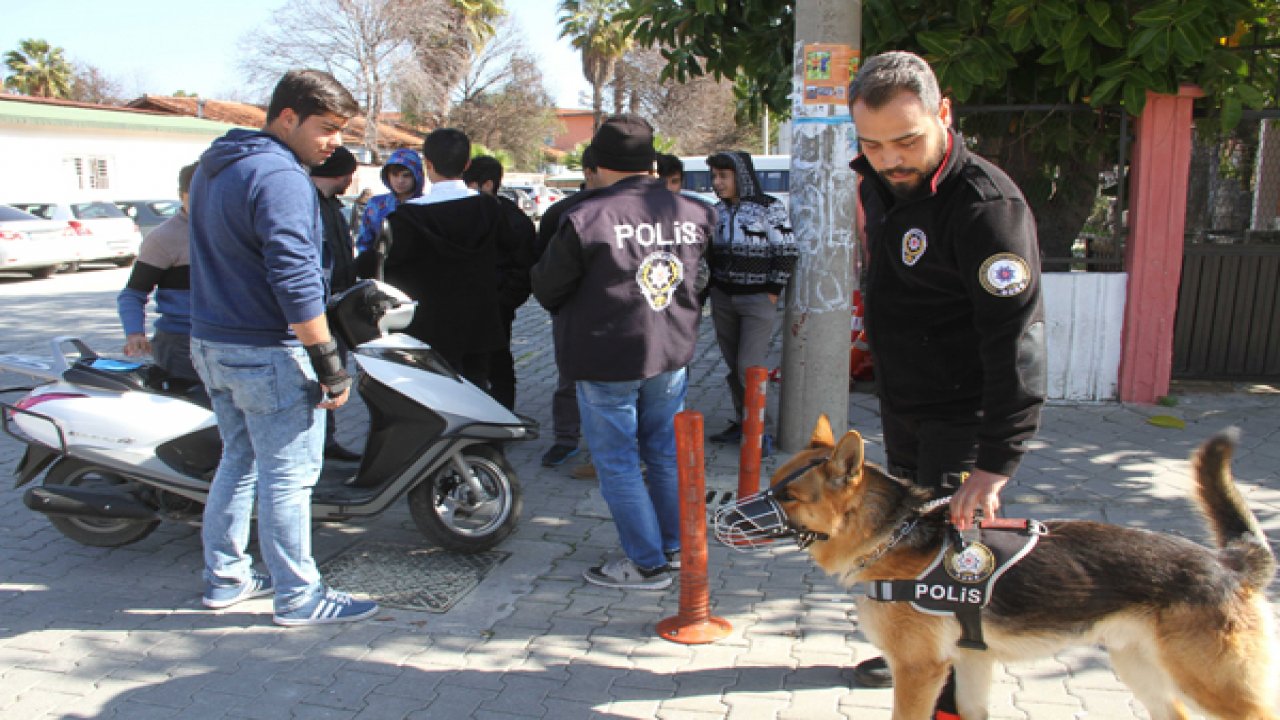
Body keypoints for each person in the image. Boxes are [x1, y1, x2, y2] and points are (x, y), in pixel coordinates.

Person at [845, 51, 1047, 715]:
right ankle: (915, 652)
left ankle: (953, 703)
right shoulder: (881, 183)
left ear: (945, 115)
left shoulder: (986, 208)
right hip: (906, 410)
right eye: (871, 144)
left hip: (964, 423)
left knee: (957, 566)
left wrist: (996, 463)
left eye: (907, 140)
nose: (890, 159)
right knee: (912, 548)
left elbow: (1017, 341)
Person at [187, 68, 379, 626]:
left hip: (213, 344)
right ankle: (299, 596)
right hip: (268, 350)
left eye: (341, 129)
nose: (335, 142)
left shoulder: (213, 165)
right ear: (287, 117)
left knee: (239, 462)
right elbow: (294, 280)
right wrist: (328, 362)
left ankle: (226, 578)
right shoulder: (281, 176)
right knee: (288, 478)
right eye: (326, 128)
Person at [532, 114, 714, 589]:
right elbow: (699, 280)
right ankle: (671, 548)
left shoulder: (583, 217)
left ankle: (647, 563)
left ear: (597, 162)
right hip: (671, 352)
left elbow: (549, 288)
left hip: (606, 355)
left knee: (617, 461)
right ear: (651, 162)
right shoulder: (695, 211)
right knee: (664, 454)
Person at [356, 128, 511, 389]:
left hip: (427, 331)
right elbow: (510, 258)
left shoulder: (406, 219)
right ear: (467, 164)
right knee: (476, 400)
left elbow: (375, 265)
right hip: (479, 328)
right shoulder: (491, 209)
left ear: (427, 165)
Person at [704, 150, 798, 453]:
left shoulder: (769, 208)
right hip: (723, 299)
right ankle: (743, 422)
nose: (717, 182)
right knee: (733, 367)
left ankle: (762, 429)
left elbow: (786, 250)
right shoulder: (716, 211)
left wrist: (771, 292)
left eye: (723, 176)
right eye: (714, 176)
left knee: (749, 367)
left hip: (757, 300)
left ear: (741, 176)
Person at [535, 145, 602, 469]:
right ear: (589, 173)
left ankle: (617, 448)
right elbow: (540, 264)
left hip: (621, 313)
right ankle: (566, 440)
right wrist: (556, 303)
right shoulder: (563, 212)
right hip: (572, 311)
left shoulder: (631, 210)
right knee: (569, 379)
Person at [462, 155, 536, 411]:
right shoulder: (461, 213)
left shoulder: (513, 219)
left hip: (496, 306)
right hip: (466, 305)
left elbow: (525, 267)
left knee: (498, 363)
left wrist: (504, 301)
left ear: (488, 184)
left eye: (470, 184)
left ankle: (503, 415)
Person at [116, 162, 199, 382]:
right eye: (198, 193)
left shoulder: (233, 231)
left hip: (229, 340)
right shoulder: (164, 238)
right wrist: (135, 333)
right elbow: (132, 294)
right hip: (181, 343)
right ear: (183, 195)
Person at [310, 145, 362, 461]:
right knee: (319, 379)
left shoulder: (332, 205)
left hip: (336, 308)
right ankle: (313, 446)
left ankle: (326, 442)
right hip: (314, 314)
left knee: (332, 379)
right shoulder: (306, 205)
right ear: (342, 175)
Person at [355, 147, 423, 254]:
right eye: (395, 175)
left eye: (406, 175)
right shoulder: (376, 204)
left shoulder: (426, 205)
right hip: (382, 266)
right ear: (387, 175)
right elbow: (365, 241)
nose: (400, 181)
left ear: (417, 176)